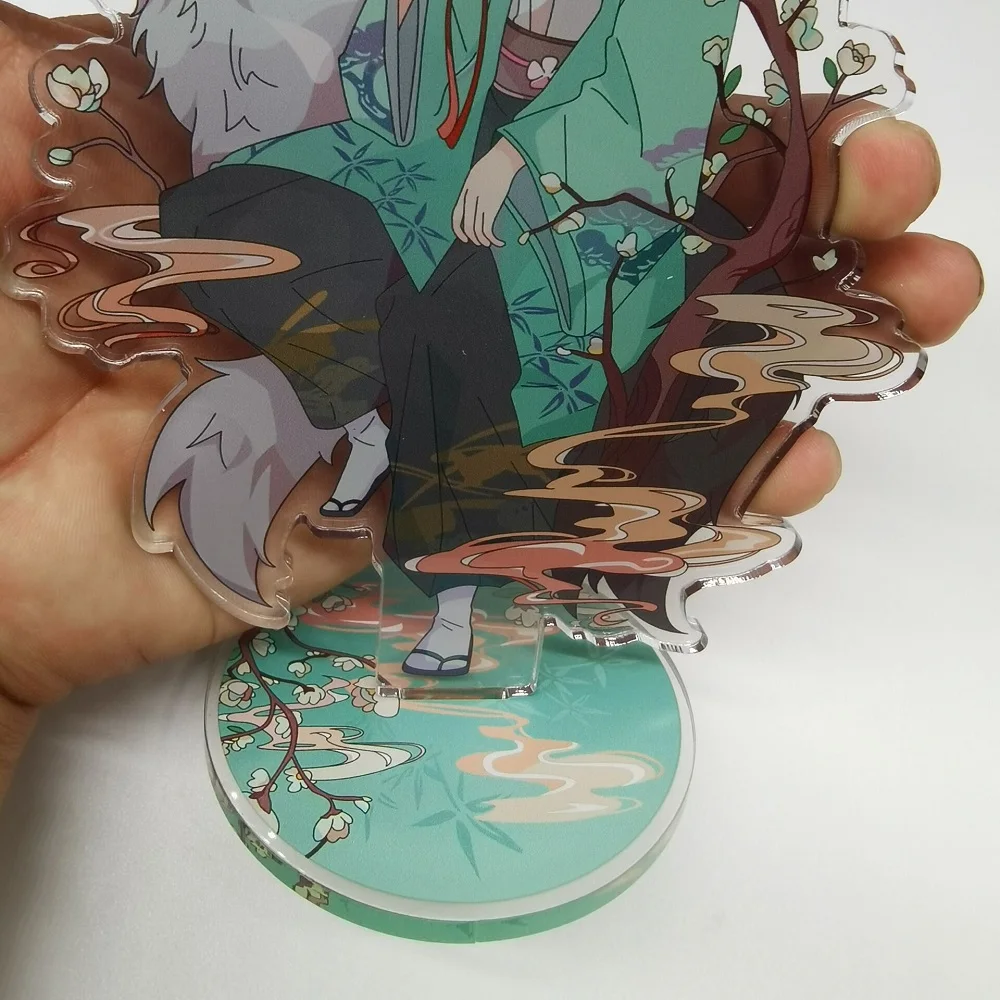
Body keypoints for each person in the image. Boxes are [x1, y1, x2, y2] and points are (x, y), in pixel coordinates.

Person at [0, 5, 983, 799]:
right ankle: (361, 411)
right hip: (433, 165)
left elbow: (655, 117)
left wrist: (521, 161)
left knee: (454, 325)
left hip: (581, 211)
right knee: (227, 213)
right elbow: (389, 73)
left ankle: (453, 588)